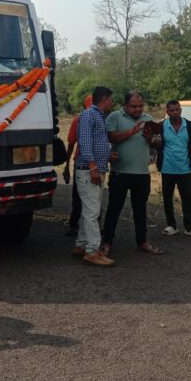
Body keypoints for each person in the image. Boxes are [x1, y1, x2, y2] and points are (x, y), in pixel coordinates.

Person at [100, 91, 161, 256]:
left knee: (140, 209)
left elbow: (157, 142)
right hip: (120, 172)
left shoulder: (147, 118)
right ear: (125, 105)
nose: (138, 109)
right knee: (114, 208)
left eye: (140, 106)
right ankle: (107, 242)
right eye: (134, 106)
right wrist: (130, 132)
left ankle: (142, 241)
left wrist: (151, 139)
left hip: (142, 173)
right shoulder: (114, 117)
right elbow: (110, 137)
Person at [73, 86, 115, 266]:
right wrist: (92, 166)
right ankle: (92, 251)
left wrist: (107, 155)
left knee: (89, 209)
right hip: (89, 169)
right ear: (104, 98)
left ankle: (81, 244)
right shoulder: (90, 115)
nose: (112, 103)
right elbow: (84, 141)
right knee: (92, 212)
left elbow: (96, 141)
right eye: (110, 99)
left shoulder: (98, 116)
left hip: (95, 167)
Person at [157, 100, 191, 238]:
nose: (174, 113)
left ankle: (190, 227)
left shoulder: (189, 126)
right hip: (167, 168)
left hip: (184, 169)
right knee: (167, 198)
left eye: (177, 110)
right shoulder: (161, 126)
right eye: (171, 110)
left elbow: (190, 146)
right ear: (167, 112)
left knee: (188, 198)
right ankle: (171, 225)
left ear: (181, 110)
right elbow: (158, 145)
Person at [63, 95, 93, 237]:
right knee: (91, 197)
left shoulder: (79, 119)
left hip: (82, 165)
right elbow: (71, 143)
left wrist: (67, 166)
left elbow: (70, 144)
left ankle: (75, 225)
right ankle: (80, 226)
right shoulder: (97, 119)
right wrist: (67, 166)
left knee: (81, 196)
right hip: (87, 165)